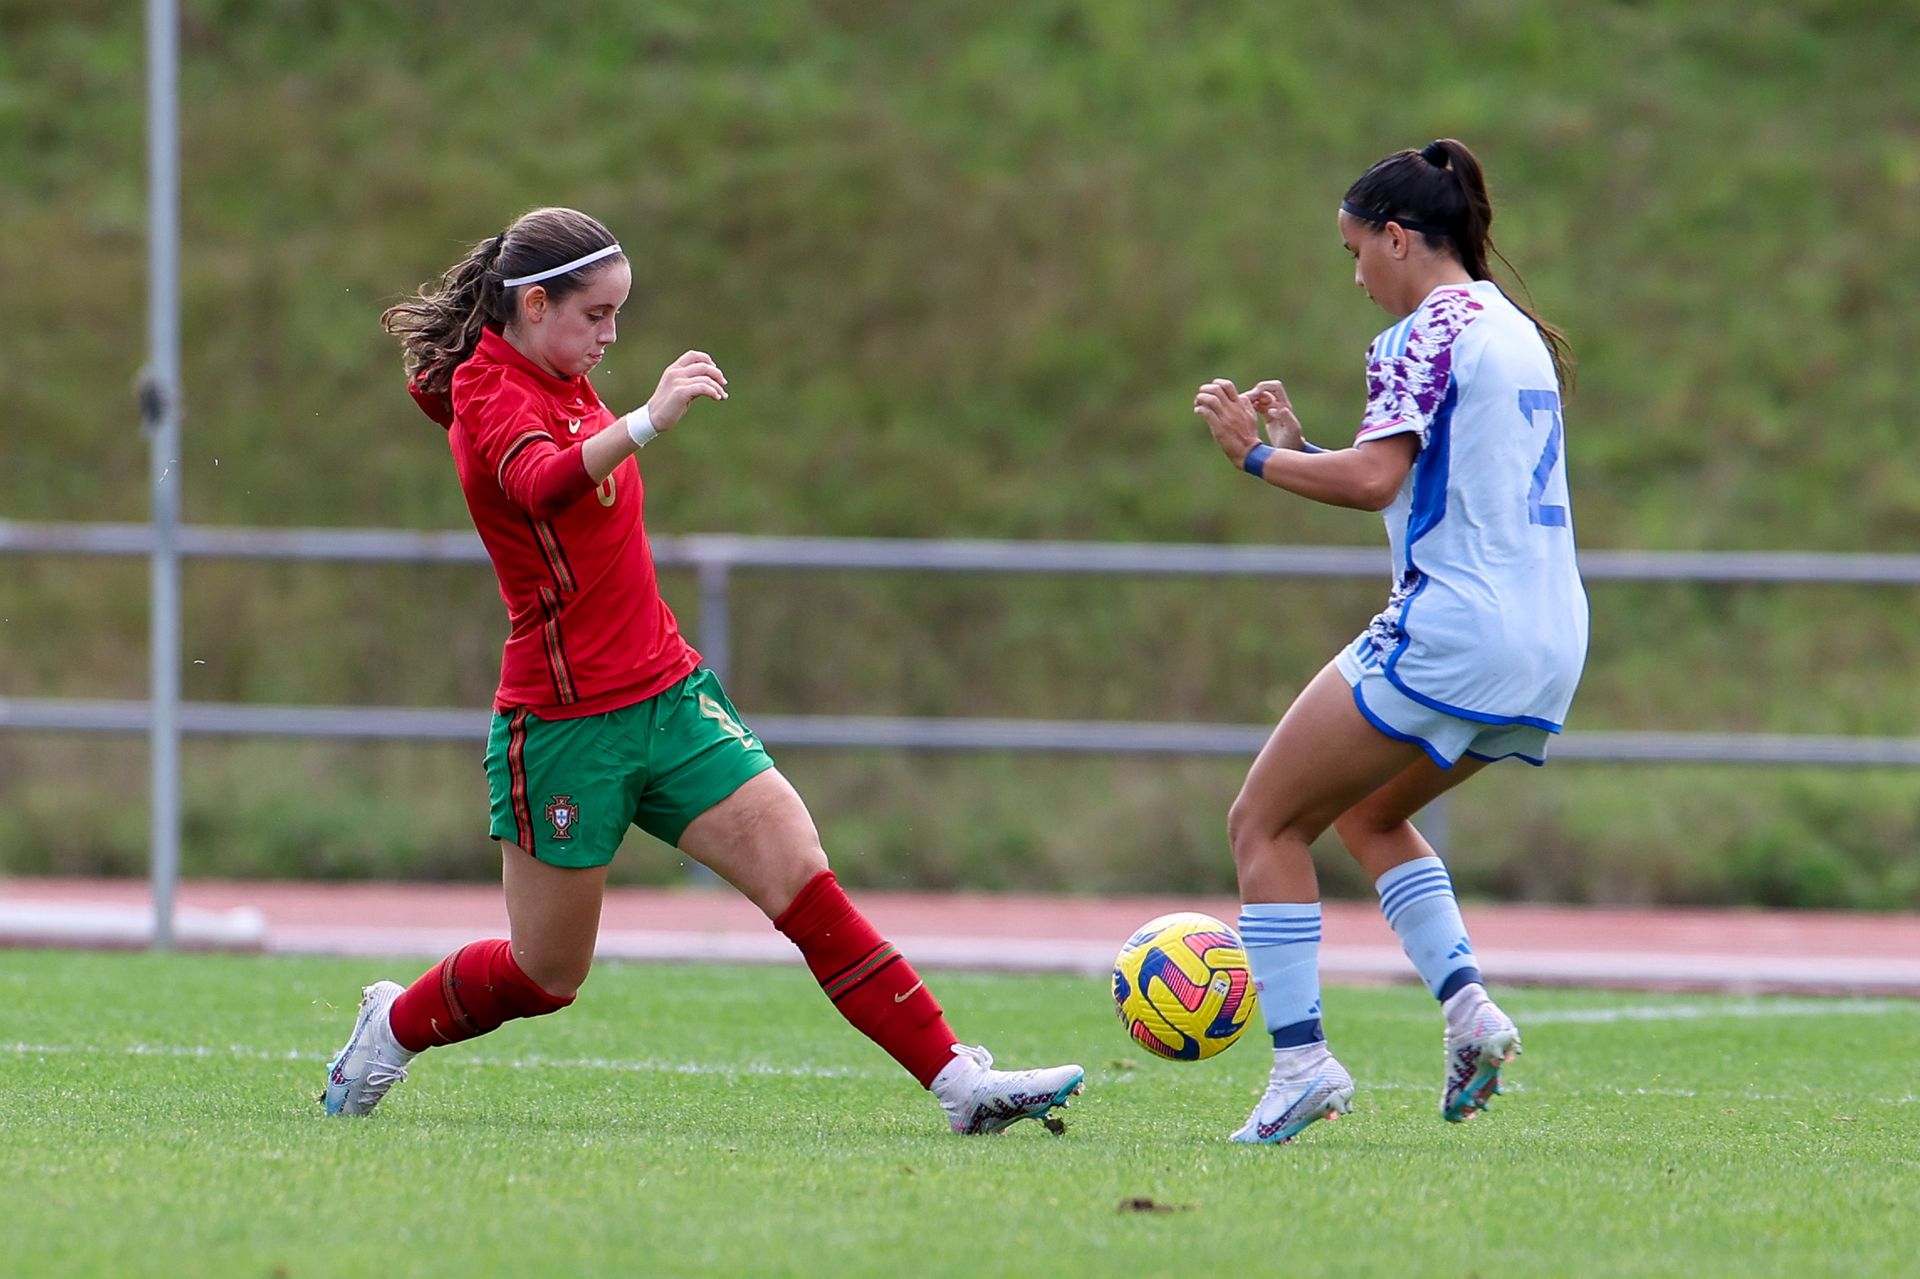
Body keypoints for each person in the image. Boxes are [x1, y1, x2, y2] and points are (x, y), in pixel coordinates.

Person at [325, 206, 1084, 1135]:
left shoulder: (558, 370)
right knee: (545, 973)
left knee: (802, 878)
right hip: (565, 725)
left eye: (618, 315)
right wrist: (647, 418)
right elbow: (539, 484)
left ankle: (959, 1084)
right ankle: (391, 1025)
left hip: (669, 695)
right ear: (533, 304)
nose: (610, 337)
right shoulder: (491, 390)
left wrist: (628, 412)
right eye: (596, 315)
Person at [1192, 140, 1587, 1144]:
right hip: (1547, 637)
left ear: (1399, 239)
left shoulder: (1424, 329)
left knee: (1263, 823)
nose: (1356, 274)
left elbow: (1374, 484)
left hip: (1456, 625)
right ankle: (1469, 1013)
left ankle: (1301, 1064)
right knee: (1369, 816)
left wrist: (1255, 459)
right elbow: (1420, 477)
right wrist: (1308, 449)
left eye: (1355, 250)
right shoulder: (1513, 326)